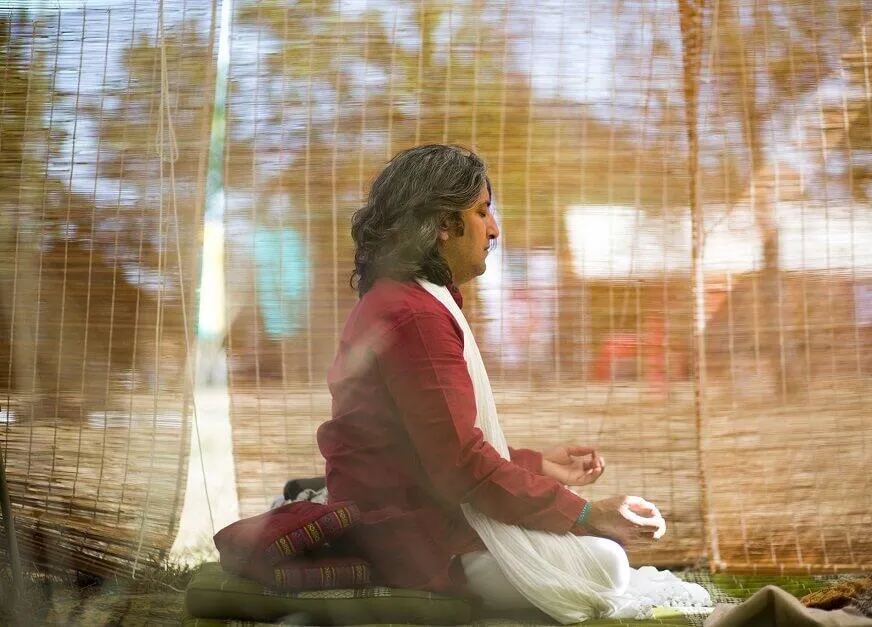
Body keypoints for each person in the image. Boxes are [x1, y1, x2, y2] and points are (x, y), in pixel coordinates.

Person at [317, 144, 706, 620]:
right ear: (442, 223)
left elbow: (433, 442)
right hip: (410, 535)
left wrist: (537, 464)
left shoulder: (401, 301)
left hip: (400, 513)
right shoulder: (415, 315)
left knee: (597, 562)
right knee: (607, 568)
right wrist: (587, 514)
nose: (494, 229)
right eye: (481, 212)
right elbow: (459, 464)